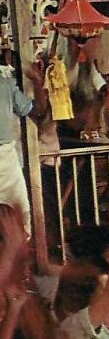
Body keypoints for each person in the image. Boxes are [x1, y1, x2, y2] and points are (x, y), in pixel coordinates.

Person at [0, 57, 43, 229]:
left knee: (23, 218)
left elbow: (35, 110)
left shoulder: (4, 80)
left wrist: (37, 80)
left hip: (6, 157)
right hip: (7, 156)